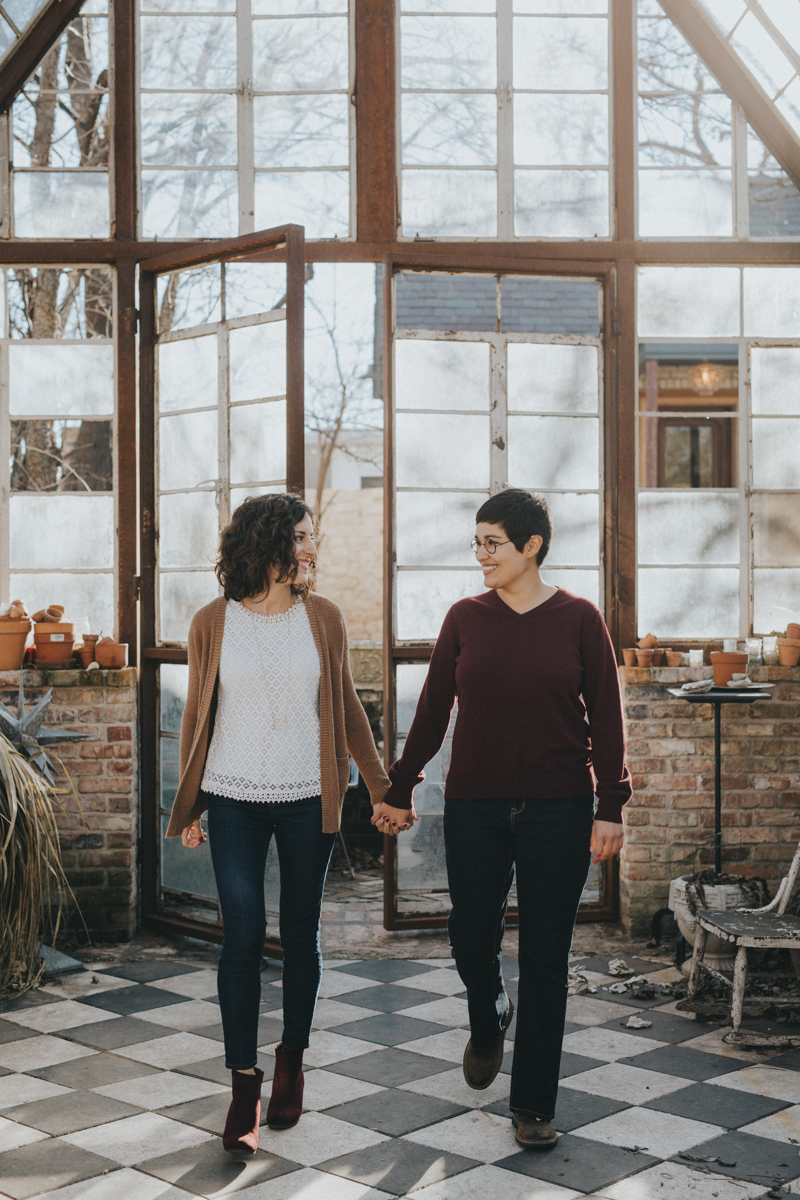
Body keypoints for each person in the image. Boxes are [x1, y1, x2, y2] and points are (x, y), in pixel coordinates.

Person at [370, 489, 630, 1150]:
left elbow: (606, 716)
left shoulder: (578, 618)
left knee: (545, 958)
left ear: (531, 546)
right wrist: (399, 788)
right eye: (477, 543)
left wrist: (610, 806)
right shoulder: (466, 618)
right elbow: (431, 711)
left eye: (492, 543)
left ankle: (534, 1104)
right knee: (469, 937)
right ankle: (489, 1019)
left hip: (560, 808)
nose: (480, 555)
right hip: (475, 806)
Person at [166, 493, 407, 1155]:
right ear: (271, 543)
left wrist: (385, 790)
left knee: (300, 932)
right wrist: (188, 808)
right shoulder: (212, 622)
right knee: (242, 932)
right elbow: (197, 718)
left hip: (309, 798)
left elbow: (349, 709)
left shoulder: (323, 618)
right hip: (233, 796)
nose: (312, 548)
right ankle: (244, 1079)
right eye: (304, 537)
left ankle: (291, 1059)